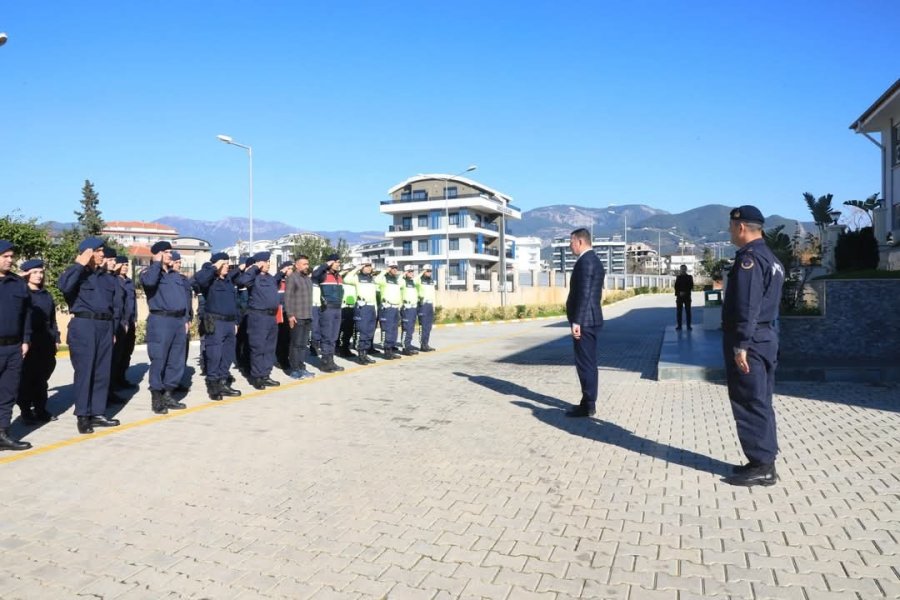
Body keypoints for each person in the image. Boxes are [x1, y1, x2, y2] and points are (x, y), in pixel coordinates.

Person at [721, 205, 785, 487]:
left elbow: (747, 305)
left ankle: (763, 465)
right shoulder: (770, 257)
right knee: (761, 400)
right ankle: (763, 458)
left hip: (752, 340)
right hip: (766, 338)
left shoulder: (750, 259)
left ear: (741, 227)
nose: (730, 231)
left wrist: (741, 345)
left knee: (749, 401)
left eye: (731, 226)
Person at [58, 237, 121, 434]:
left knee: (102, 371)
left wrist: (113, 329)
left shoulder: (106, 277)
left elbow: (114, 306)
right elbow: (64, 287)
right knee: (85, 372)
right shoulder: (76, 273)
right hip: (84, 324)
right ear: (87, 252)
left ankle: (98, 412)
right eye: (98, 250)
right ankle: (83, 415)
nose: (103, 254)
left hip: (105, 326)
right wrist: (79, 264)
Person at [140, 241, 189, 414]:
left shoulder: (175, 276)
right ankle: (157, 396)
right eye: (167, 252)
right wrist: (156, 263)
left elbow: (183, 299)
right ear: (159, 254)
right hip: (160, 321)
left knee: (176, 360)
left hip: (177, 321)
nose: (171, 255)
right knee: (159, 359)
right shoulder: (148, 273)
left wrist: (185, 319)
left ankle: (169, 393)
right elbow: (150, 283)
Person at [565, 228, 605, 418]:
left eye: (571, 242)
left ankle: (588, 405)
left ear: (580, 241)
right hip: (591, 319)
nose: (569, 246)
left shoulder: (586, 262)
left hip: (585, 321)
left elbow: (584, 294)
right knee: (588, 363)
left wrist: (577, 321)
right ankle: (587, 401)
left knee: (585, 364)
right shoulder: (593, 260)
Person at [193, 253, 242, 400]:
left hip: (229, 323)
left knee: (227, 355)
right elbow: (198, 279)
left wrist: (236, 322)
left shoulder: (227, 281)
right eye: (224, 264)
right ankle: (213, 385)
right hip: (215, 322)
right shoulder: (209, 280)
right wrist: (214, 266)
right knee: (214, 355)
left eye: (227, 263)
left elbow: (235, 303)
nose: (227, 266)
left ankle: (223, 382)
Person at [17, 259, 59, 425]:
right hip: (28, 341)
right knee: (26, 378)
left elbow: (52, 319)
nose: (39, 275)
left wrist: (56, 337)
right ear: (26, 274)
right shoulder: (22, 293)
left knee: (42, 377)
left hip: (45, 341)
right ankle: (26, 411)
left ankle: (41, 409)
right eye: (34, 272)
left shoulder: (46, 294)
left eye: (41, 272)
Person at [0, 241, 33, 450]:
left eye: (11, 256)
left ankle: (2, 434)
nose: (10, 260)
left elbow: (26, 314)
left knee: (8, 393)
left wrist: (26, 339)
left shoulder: (18, 283)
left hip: (13, 348)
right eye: (5, 256)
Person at [235, 251, 282, 389]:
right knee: (258, 347)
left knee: (269, 348)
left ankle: (266, 374)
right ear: (260, 262)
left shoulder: (270, 278)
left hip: (271, 317)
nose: (269, 264)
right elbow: (242, 281)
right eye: (266, 262)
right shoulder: (252, 277)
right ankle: (257, 377)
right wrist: (255, 267)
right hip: (258, 316)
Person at [310, 254, 345, 373]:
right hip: (327, 309)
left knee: (334, 337)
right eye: (336, 262)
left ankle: (331, 361)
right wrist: (326, 265)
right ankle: (325, 362)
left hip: (338, 308)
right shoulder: (323, 274)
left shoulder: (339, 276)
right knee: (327, 336)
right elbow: (314, 275)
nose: (338, 264)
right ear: (330, 262)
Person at [283, 255, 316, 379]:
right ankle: (294, 370)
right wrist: (290, 315)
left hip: (307, 316)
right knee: (295, 344)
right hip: (297, 317)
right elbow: (287, 298)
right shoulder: (292, 278)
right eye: (304, 264)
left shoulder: (307, 279)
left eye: (307, 264)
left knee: (303, 345)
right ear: (296, 265)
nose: (307, 266)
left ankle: (302, 368)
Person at [110, 255, 137, 391]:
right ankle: (113, 382)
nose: (125, 267)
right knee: (117, 353)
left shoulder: (129, 282)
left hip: (130, 321)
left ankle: (121, 377)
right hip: (120, 322)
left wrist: (135, 319)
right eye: (123, 264)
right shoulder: (113, 281)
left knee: (127, 351)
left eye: (127, 264)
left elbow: (134, 303)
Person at [343, 260, 378, 364]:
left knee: (369, 332)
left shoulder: (371, 278)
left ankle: (365, 353)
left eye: (369, 266)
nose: (368, 268)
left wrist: (375, 309)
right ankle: (360, 355)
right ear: (361, 267)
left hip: (371, 307)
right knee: (362, 331)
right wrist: (357, 268)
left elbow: (374, 295)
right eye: (366, 266)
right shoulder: (357, 277)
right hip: (362, 307)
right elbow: (346, 279)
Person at [375, 262, 403, 360]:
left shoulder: (396, 280)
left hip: (395, 307)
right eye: (393, 268)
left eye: (396, 268)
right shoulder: (384, 278)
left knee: (394, 330)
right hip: (387, 307)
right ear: (389, 268)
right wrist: (384, 271)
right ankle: (387, 351)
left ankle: (391, 348)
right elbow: (376, 280)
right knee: (387, 329)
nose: (395, 269)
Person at [415, 265, 437, 351]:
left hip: (430, 305)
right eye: (427, 271)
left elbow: (433, 294)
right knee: (423, 326)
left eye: (430, 271)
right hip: (422, 305)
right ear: (424, 271)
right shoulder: (419, 280)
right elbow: (414, 280)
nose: (429, 272)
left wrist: (434, 305)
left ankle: (426, 344)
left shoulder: (431, 281)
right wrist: (421, 273)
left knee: (428, 326)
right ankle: (422, 345)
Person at [399, 265, 419, 355]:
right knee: (406, 328)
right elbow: (397, 282)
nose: (411, 273)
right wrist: (403, 274)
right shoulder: (402, 281)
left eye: (412, 271)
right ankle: (404, 348)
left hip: (413, 308)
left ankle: (408, 345)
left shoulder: (413, 282)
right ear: (405, 272)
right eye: (409, 271)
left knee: (411, 329)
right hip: (406, 307)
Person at [674, 264, 694, 330]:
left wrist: (684, 292)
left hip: (687, 296)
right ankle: (679, 326)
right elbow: (676, 286)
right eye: (682, 269)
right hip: (679, 297)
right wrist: (679, 293)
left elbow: (691, 286)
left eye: (684, 268)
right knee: (679, 312)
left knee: (688, 311)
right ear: (680, 269)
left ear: (686, 269)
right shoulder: (678, 277)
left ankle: (689, 326)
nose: (683, 270)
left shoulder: (689, 277)